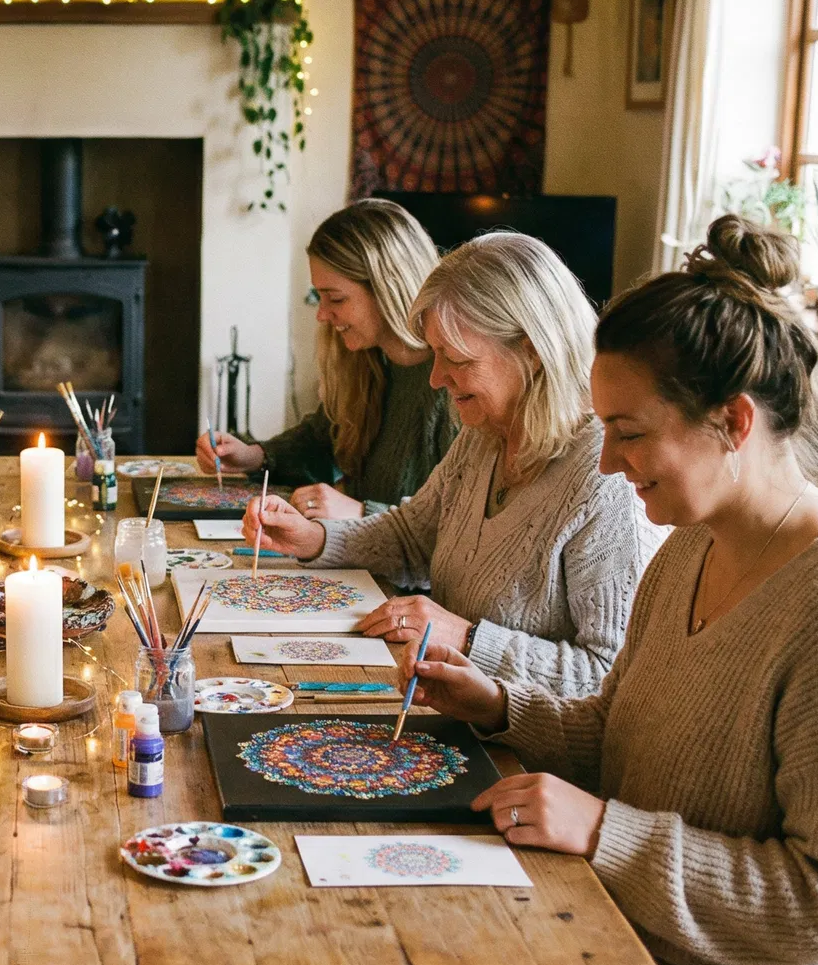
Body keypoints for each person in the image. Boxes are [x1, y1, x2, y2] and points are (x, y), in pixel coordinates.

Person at [291, 216, 818, 965]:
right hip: (638, 937)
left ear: (734, 422)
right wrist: (503, 707)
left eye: (629, 433)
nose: (604, 462)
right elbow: (620, 726)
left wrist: (607, 832)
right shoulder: (690, 546)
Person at [249, 231, 660, 698]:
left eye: (456, 359)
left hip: (515, 739)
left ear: (530, 350)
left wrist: (467, 638)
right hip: (445, 707)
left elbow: (609, 676)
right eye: (435, 354)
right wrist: (315, 538)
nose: (436, 377)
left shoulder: (607, 478)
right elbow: (411, 537)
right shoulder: (485, 432)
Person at [197, 199, 456, 519]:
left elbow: (460, 526)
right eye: (318, 297)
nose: (322, 314)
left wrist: (361, 513)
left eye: (336, 298)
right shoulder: (369, 360)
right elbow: (323, 438)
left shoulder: (453, 386)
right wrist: (254, 456)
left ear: (387, 288)